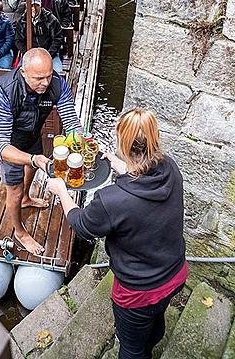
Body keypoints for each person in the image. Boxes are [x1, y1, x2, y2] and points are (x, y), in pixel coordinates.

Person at [48, 109, 187, 359]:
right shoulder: (171, 169)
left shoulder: (111, 200)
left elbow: (81, 224)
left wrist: (62, 191)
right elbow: (143, 187)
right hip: (175, 273)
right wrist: (125, 168)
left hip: (139, 290)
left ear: (123, 143)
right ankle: (151, 341)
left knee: (131, 349)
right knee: (156, 321)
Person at [0, 48, 83, 255]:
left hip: (32, 135)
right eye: (39, 78)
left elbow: (70, 120)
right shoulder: (4, 91)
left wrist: (82, 142)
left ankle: (26, 199)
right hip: (10, 144)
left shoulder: (57, 84)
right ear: (23, 72)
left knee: (32, 168)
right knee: (13, 188)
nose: (46, 83)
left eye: (49, 76)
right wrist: (33, 159)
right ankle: (20, 232)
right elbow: (1, 147)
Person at [15, 0, 64, 73]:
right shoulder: (22, 21)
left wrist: (48, 54)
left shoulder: (51, 19)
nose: (33, 9)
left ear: (40, 6)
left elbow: (58, 39)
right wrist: (27, 53)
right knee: (18, 73)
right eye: (30, 6)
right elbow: (18, 40)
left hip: (49, 53)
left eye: (36, 5)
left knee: (58, 73)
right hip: (30, 54)